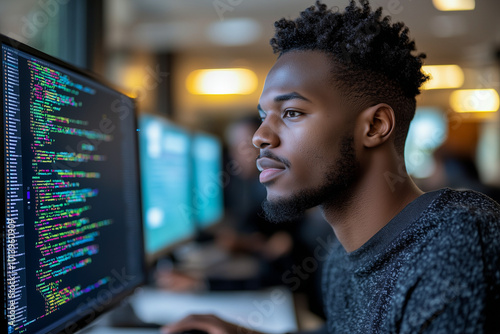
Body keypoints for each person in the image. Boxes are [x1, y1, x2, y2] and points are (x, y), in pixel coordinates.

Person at [162, 1, 500, 333]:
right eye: (264, 117)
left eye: (292, 112)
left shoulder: (456, 240)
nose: (259, 137)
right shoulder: (340, 256)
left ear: (374, 126)